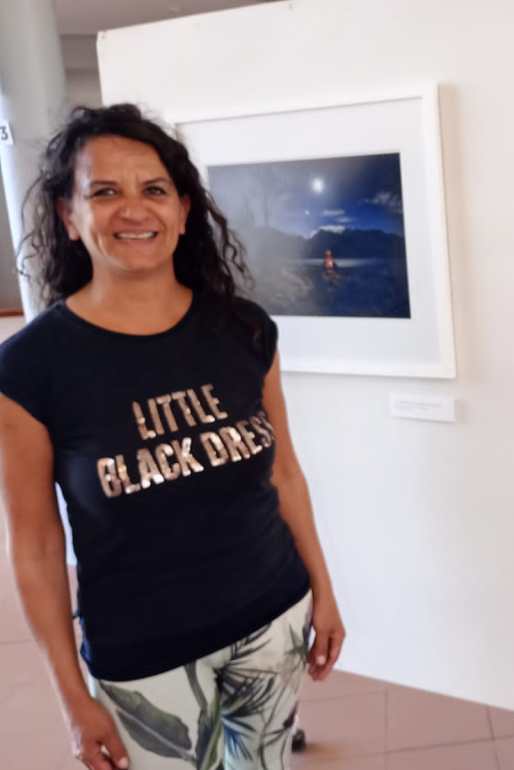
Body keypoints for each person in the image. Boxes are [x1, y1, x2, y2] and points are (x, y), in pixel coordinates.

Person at [0, 104, 345, 770]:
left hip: (274, 615)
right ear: (69, 216)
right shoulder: (30, 369)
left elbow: (284, 474)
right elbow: (36, 546)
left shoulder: (244, 330)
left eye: (154, 189)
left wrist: (323, 590)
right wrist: (71, 697)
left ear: (183, 212)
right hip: (146, 657)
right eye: (105, 191)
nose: (134, 209)